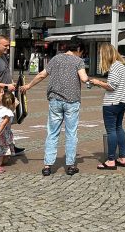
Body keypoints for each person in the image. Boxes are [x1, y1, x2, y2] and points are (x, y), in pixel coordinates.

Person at [21, 39, 88, 176]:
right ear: (79, 49)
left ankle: (47, 166)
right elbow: (83, 78)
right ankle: (70, 165)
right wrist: (94, 81)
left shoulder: (56, 59)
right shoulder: (78, 61)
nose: (81, 54)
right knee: (71, 133)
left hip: (55, 100)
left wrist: (28, 86)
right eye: (82, 52)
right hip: (72, 101)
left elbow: (42, 75)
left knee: (52, 133)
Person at [89, 43, 125, 170]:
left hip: (112, 103)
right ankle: (122, 157)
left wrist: (98, 82)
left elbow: (111, 86)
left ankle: (111, 160)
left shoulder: (114, 66)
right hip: (123, 101)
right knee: (119, 128)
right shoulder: (123, 65)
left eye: (101, 54)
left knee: (111, 130)